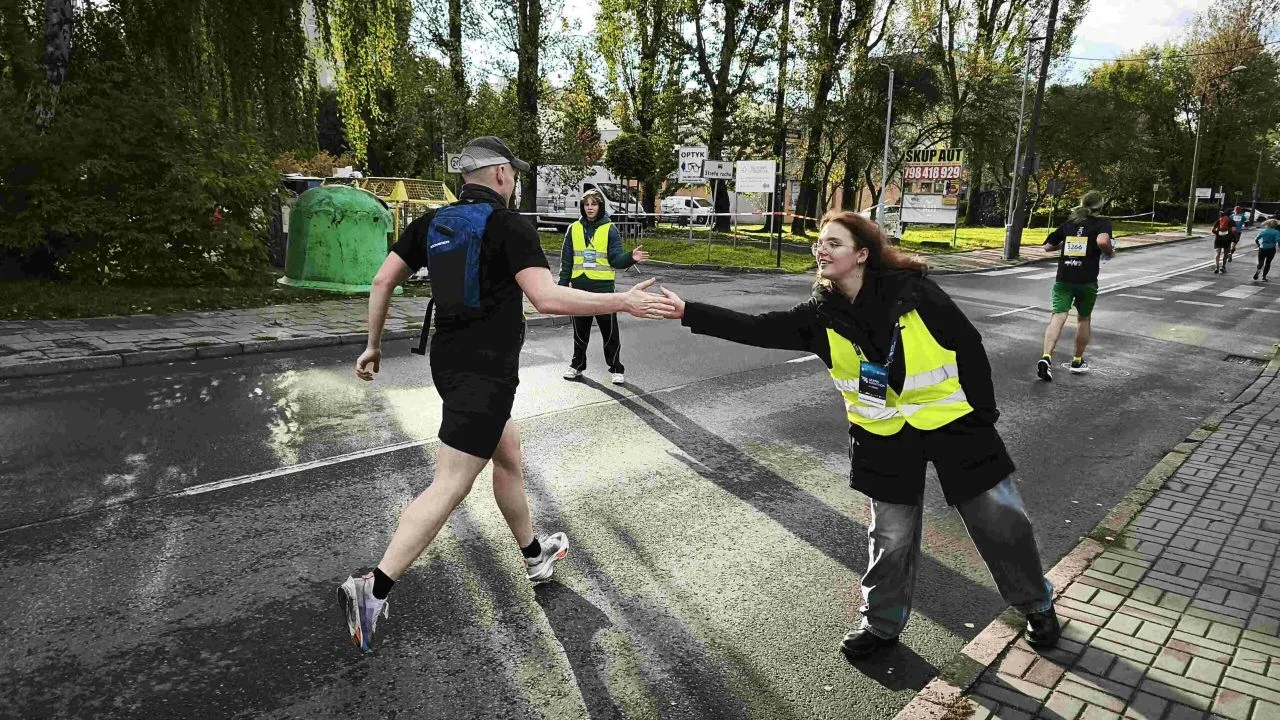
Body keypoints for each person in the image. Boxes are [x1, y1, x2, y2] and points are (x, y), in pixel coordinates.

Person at [654, 210, 1059, 661]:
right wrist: (689, 311)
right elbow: (759, 328)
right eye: (819, 243)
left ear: (862, 254)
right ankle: (881, 623)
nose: (820, 250)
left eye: (833, 243)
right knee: (890, 537)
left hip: (955, 425)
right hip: (882, 437)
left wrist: (983, 413)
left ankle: (1037, 604)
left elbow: (967, 344)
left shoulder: (916, 293)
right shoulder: (820, 315)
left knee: (1000, 521)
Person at [336, 136, 675, 653]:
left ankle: (535, 555)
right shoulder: (510, 225)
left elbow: (383, 281)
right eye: (513, 175)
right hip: (487, 373)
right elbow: (545, 297)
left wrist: (373, 346)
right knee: (450, 484)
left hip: (448, 364)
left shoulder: (433, 222)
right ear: (498, 175)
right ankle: (373, 589)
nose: (515, 183)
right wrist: (620, 302)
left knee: (508, 455)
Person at [558, 188, 650, 384]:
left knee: (609, 333)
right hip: (579, 289)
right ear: (583, 207)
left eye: (594, 204)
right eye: (587, 204)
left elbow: (615, 259)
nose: (590, 208)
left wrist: (630, 258)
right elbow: (566, 262)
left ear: (600, 206)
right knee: (579, 333)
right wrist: (562, 287)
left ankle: (616, 368)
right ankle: (576, 366)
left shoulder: (610, 229)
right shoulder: (573, 229)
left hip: (603, 290)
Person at [1037, 191, 1113, 381]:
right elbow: (1102, 241)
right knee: (1083, 318)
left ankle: (1046, 358)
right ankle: (1077, 361)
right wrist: (1109, 252)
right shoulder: (1102, 223)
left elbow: (1047, 247)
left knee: (1058, 316)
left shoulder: (1069, 223)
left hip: (1064, 277)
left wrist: (1066, 244)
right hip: (1086, 279)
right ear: (1100, 206)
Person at [1212, 210, 1233, 274]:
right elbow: (1234, 230)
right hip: (1227, 239)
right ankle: (1223, 267)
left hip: (1218, 239)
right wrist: (1230, 235)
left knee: (1218, 253)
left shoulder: (1219, 220)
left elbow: (1213, 230)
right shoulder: (1231, 221)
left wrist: (1217, 233)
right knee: (1225, 253)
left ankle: (1217, 267)